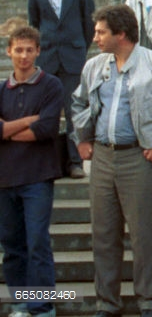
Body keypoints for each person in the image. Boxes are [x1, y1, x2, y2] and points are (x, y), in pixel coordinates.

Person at [71, 5, 152, 317]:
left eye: (102, 32)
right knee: (103, 235)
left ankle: (150, 302)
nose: (96, 37)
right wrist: (83, 138)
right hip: (102, 157)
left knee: (144, 236)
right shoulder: (94, 66)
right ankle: (107, 303)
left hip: (138, 158)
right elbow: (78, 101)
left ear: (121, 34)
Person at [0, 25, 64, 317]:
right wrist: (29, 121)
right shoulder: (1, 89)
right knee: (12, 246)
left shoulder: (51, 85)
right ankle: (22, 302)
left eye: (29, 50)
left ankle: (41, 307)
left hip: (37, 177)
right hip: (4, 178)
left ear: (38, 51)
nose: (23, 56)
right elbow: (34, 125)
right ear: (8, 51)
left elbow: (47, 128)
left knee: (37, 242)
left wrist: (7, 131)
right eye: (18, 50)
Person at [28, 0, 95, 180]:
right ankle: (51, 163)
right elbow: (34, 24)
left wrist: (79, 48)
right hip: (47, 57)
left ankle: (75, 162)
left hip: (72, 57)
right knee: (49, 113)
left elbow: (89, 23)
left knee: (74, 111)